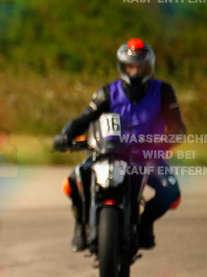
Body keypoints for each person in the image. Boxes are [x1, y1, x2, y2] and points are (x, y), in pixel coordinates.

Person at [53, 38, 186, 250]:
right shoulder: (107, 92)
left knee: (171, 192)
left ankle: (144, 225)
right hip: (110, 152)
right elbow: (84, 119)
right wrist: (65, 135)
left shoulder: (163, 92)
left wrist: (164, 144)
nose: (135, 71)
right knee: (74, 180)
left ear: (149, 67)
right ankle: (80, 225)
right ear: (122, 67)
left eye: (140, 67)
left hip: (146, 156)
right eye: (130, 66)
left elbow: (178, 128)